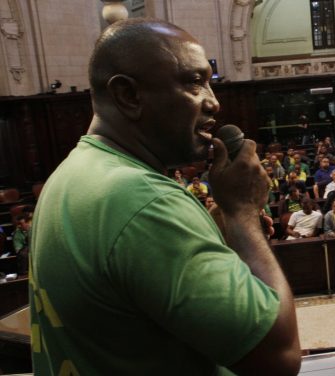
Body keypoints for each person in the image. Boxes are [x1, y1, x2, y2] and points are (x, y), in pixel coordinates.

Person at [29, 19, 300, 375]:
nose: (213, 103)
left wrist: (211, 228)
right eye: (194, 82)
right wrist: (242, 215)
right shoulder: (143, 201)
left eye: (210, 82)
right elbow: (278, 357)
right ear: (129, 95)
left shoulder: (71, 176)